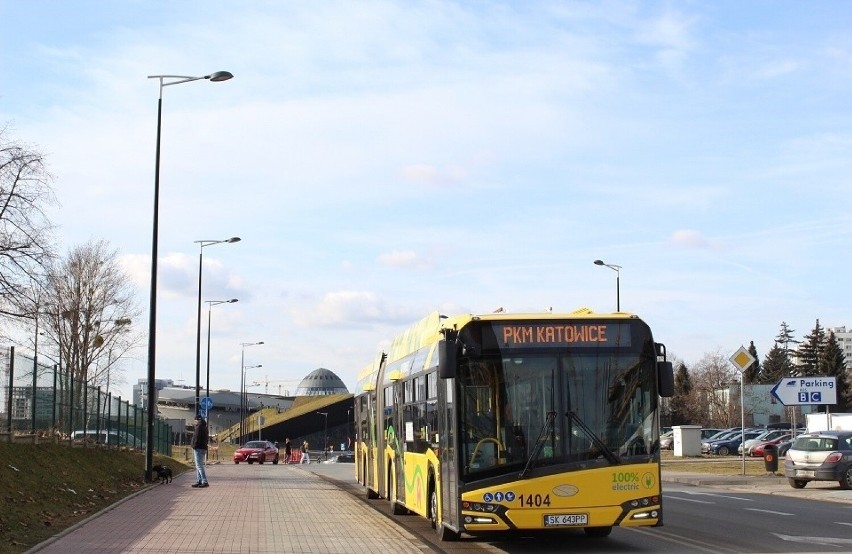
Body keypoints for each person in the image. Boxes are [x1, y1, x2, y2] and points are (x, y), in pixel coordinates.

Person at [191, 414, 209, 488]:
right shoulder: (205, 427)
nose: (194, 422)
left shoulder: (199, 427)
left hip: (198, 448)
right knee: (199, 465)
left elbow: (196, 438)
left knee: (199, 466)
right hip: (203, 448)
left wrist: (194, 446)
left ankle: (204, 481)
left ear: (197, 420)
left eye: (195, 420)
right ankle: (199, 481)